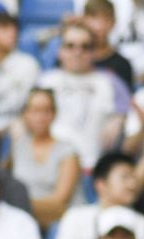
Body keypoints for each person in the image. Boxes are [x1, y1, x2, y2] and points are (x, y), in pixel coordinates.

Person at [38, 19, 121, 173]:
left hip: (92, 168)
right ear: (59, 50)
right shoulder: (46, 81)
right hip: (51, 168)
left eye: (85, 47)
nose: (77, 52)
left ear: (94, 52)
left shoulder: (108, 82)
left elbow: (126, 120)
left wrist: (120, 119)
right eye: (70, 46)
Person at [10, 88, 82, 229]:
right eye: (34, 111)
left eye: (46, 111)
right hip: (27, 222)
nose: (40, 117)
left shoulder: (67, 151)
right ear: (25, 114)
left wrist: (18, 204)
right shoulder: (18, 147)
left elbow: (60, 201)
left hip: (61, 223)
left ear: (54, 114)